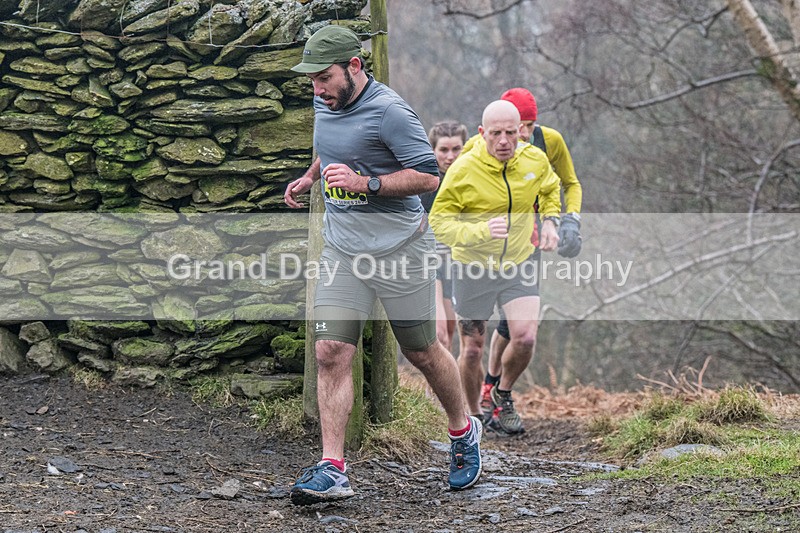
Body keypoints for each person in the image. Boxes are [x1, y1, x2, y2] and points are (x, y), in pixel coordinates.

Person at [283, 25, 482, 506]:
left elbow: (428, 177)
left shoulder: (391, 112)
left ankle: (463, 432)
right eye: (311, 80)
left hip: (400, 252)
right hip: (343, 253)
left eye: (324, 78)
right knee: (330, 349)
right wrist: (312, 176)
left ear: (355, 67)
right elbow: (329, 145)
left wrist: (364, 185)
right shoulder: (325, 100)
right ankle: (333, 468)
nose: (317, 89)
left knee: (423, 350)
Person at [428, 100, 562, 436]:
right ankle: (473, 416)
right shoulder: (464, 169)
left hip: (519, 260)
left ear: (521, 132)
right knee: (472, 349)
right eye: (495, 133)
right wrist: (480, 231)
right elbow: (439, 223)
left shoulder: (535, 159)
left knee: (526, 336)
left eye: (510, 133)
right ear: (481, 133)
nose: (503, 141)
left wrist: (550, 222)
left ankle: (502, 393)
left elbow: (549, 189)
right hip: (472, 266)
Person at [480, 88, 584, 436]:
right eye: (515, 126)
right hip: (489, 243)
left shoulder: (550, 141)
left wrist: (570, 220)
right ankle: (488, 389)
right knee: (500, 326)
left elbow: (570, 183)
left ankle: (499, 390)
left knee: (519, 331)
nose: (520, 134)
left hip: (531, 241)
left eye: (527, 126)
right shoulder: (490, 141)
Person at [420, 121, 469, 351]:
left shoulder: (470, 181)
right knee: (438, 333)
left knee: (450, 332)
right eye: (443, 150)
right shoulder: (425, 182)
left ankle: (442, 387)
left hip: (458, 263)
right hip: (428, 261)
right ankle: (434, 390)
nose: (450, 156)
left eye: (456, 149)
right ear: (433, 151)